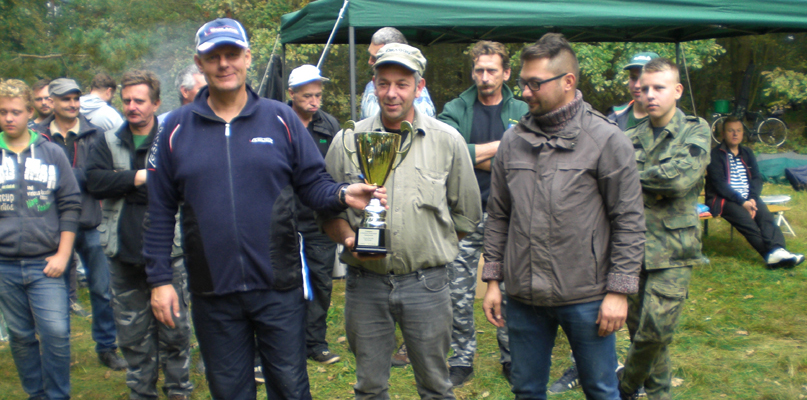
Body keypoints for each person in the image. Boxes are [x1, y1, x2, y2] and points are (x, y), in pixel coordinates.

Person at [144, 18, 384, 400]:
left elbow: (311, 183)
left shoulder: (281, 118)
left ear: (248, 58)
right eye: (214, 56)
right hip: (213, 292)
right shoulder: (174, 128)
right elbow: (158, 211)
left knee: (290, 388)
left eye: (232, 54)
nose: (224, 64)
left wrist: (342, 194)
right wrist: (159, 280)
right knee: (229, 392)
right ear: (199, 62)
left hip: (279, 287)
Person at [481, 33, 646, 400]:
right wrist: (493, 280)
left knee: (601, 390)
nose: (524, 91)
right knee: (525, 390)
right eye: (523, 82)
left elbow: (629, 220)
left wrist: (619, 291)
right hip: (523, 296)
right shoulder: (513, 140)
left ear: (568, 82)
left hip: (586, 296)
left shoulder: (606, 140)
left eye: (535, 83)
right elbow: (499, 215)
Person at [322, 42, 482, 400]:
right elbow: (328, 213)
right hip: (366, 285)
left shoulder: (447, 141)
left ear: (419, 86)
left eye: (402, 84)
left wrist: (426, 242)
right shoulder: (347, 141)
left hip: (427, 285)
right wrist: (350, 239)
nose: (391, 93)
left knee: (436, 387)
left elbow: (467, 214)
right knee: (369, 387)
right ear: (373, 84)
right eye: (383, 83)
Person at [551, 50, 660, 396]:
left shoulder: (674, 123)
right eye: (632, 76)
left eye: (644, 75)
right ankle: (587, 368)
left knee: (647, 323)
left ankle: (637, 379)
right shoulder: (612, 119)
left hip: (657, 238)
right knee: (592, 315)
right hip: (599, 236)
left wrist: (615, 175)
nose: (637, 83)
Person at [86, 70, 193, 400]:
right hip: (123, 255)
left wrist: (124, 181)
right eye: (127, 100)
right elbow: (93, 182)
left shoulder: (174, 140)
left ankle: (178, 391)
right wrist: (140, 178)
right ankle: (141, 393)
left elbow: (181, 187)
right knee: (133, 336)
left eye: (140, 101)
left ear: (156, 103)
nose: (132, 106)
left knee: (175, 331)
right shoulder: (107, 141)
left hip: (169, 254)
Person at [437, 40, 527, 386]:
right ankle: (462, 356)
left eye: (492, 70)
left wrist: (472, 154)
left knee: (508, 289)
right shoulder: (456, 108)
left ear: (506, 73)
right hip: (463, 214)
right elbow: (448, 152)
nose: (484, 77)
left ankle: (511, 355)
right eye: (479, 70)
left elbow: (531, 156)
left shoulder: (523, 107)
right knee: (456, 290)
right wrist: (505, 146)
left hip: (510, 214)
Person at [619, 58, 710, 400]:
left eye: (659, 88)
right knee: (639, 332)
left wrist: (630, 177)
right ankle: (659, 395)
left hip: (674, 248)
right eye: (644, 88)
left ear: (677, 90)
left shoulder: (696, 130)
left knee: (655, 333)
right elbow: (613, 185)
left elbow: (681, 179)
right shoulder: (627, 137)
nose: (650, 95)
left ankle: (624, 387)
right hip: (631, 247)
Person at [33, 78, 127, 371]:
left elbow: (103, 175)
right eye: (66, 99)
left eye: (76, 98)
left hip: (89, 220)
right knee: (53, 292)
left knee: (102, 289)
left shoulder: (95, 134)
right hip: (50, 226)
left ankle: (107, 347)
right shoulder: (37, 135)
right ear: (53, 102)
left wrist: (70, 176)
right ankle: (57, 351)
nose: (72, 104)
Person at [0, 78, 81, 400]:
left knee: (57, 333)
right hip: (4, 265)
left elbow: (71, 204)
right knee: (20, 336)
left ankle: (58, 395)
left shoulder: (51, 152)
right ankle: (37, 394)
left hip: (46, 262)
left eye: (16, 112)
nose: (9, 118)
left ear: (29, 112)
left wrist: (63, 254)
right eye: (3, 111)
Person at [287, 64, 342, 364]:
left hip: (319, 218)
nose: (314, 102)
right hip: (284, 218)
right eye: (307, 96)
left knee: (321, 280)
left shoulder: (329, 125)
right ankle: (285, 340)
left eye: (318, 95)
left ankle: (315, 342)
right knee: (286, 281)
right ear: (292, 94)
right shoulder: (275, 121)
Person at [705, 117, 804, 268]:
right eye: (731, 130)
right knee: (748, 223)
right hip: (724, 199)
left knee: (766, 217)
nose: (735, 134)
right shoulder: (715, 155)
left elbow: (757, 178)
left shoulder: (747, 152)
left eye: (738, 130)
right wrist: (742, 202)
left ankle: (779, 250)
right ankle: (771, 255)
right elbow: (719, 184)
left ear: (743, 133)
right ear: (723, 134)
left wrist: (751, 199)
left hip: (748, 198)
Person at [360, 27, 435, 120]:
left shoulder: (419, 97)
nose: (369, 61)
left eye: (375, 57)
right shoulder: (370, 87)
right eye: (383, 84)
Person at [607, 52, 660, 131]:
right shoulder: (614, 118)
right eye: (633, 78)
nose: (637, 85)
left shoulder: (670, 119)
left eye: (643, 79)